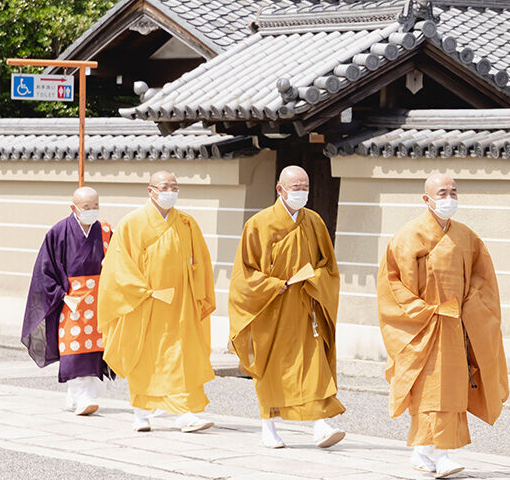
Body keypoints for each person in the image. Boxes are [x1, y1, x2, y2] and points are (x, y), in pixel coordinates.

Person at [378, 173, 509, 479]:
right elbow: (391, 284)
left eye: (453, 191)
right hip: (423, 326)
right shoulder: (407, 237)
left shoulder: (467, 237)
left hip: (456, 325)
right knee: (430, 389)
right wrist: (422, 311)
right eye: (442, 192)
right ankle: (442, 453)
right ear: (427, 199)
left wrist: (470, 306)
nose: (449, 197)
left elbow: (483, 278)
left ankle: (425, 450)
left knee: (450, 389)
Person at [229, 166, 345, 450]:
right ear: (280, 189)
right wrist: (273, 285)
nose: (301, 192)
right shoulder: (258, 224)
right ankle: (268, 427)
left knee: (314, 364)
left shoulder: (314, 222)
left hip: (305, 307)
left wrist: (314, 279)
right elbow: (244, 274)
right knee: (271, 369)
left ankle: (320, 424)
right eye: (295, 187)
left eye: (305, 187)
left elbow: (327, 266)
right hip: (271, 309)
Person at [98, 171, 216, 433]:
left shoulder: (186, 223)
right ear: (151, 190)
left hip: (180, 303)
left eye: (175, 186)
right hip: (145, 302)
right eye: (165, 186)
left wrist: (198, 293)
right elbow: (118, 266)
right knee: (144, 357)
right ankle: (141, 413)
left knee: (181, 355)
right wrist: (144, 292)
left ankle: (185, 414)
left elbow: (202, 262)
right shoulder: (132, 223)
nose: (171, 191)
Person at [21, 185, 114, 415]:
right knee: (74, 348)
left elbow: (118, 262)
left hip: (99, 300)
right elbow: (45, 270)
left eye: (96, 206)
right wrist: (62, 295)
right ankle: (83, 397)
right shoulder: (59, 232)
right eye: (86, 206)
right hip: (72, 300)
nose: (92, 210)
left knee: (95, 348)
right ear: (73, 207)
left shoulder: (105, 231)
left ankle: (78, 395)